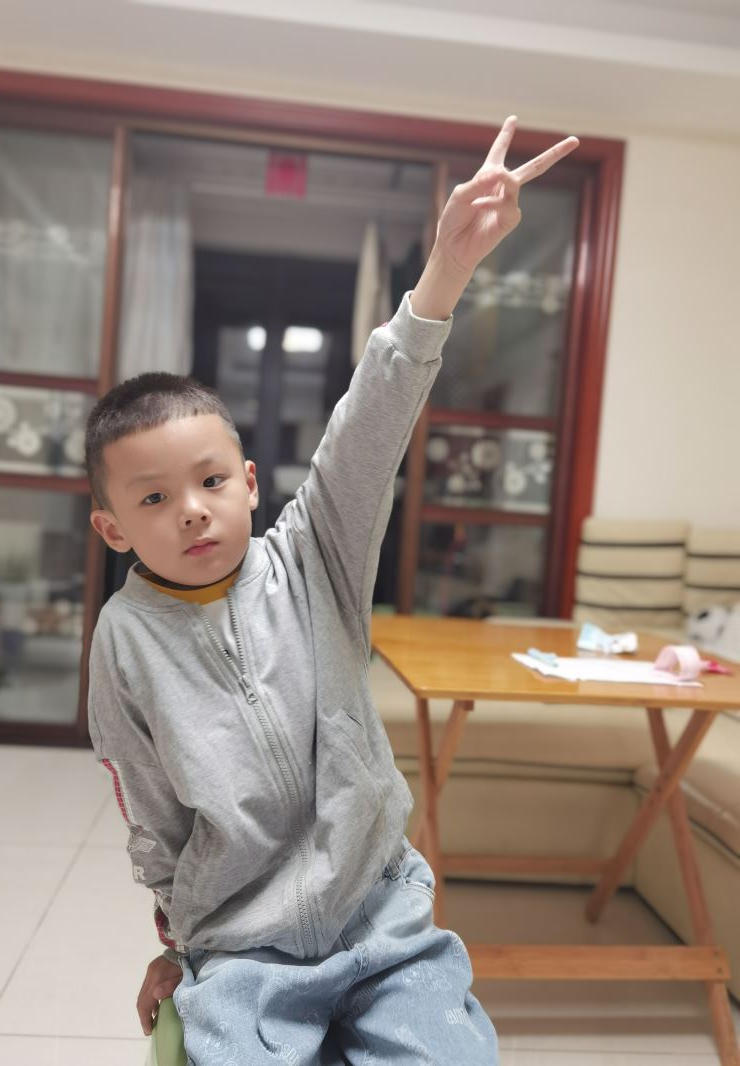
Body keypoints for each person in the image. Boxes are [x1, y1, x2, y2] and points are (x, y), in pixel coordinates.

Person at [85, 115, 578, 1064]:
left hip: (382, 922)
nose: (192, 511)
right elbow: (150, 812)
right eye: (153, 498)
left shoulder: (317, 555)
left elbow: (370, 424)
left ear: (250, 483)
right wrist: (177, 946)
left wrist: (444, 274)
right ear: (114, 530)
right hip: (244, 945)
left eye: (211, 481)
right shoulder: (124, 638)